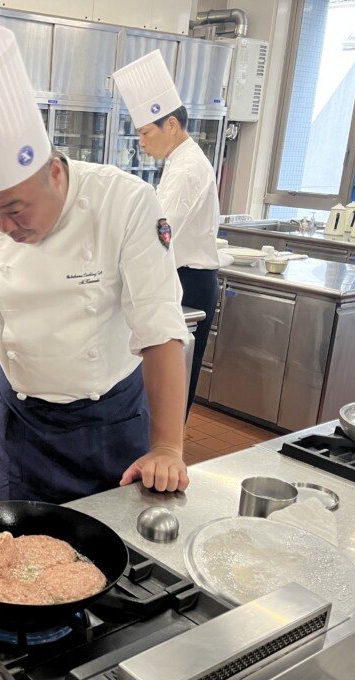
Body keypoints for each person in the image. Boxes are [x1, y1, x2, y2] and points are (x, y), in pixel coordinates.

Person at [0, 28, 191, 505]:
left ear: (56, 173)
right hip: (19, 416)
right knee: (29, 555)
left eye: (17, 209)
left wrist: (168, 446)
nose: (4, 225)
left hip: (110, 414)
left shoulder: (124, 201)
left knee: (116, 552)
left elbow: (159, 326)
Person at [114, 51, 222, 417]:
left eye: (146, 132)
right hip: (179, 278)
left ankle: (167, 452)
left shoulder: (188, 167)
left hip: (188, 282)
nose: (141, 142)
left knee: (173, 379)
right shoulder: (180, 162)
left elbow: (160, 230)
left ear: (171, 125)